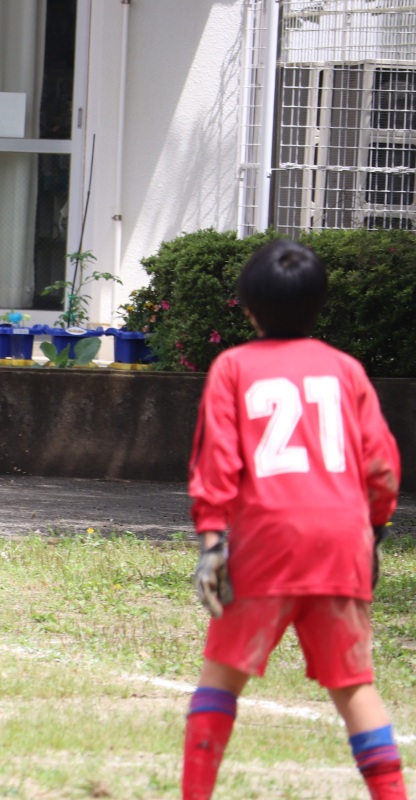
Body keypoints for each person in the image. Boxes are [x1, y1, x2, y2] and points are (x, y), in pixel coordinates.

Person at [184, 239, 405, 800]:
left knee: (220, 679)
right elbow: (381, 464)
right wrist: (374, 532)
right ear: (319, 304)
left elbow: (217, 461)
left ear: (247, 307)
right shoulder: (346, 370)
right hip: (343, 542)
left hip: (267, 540)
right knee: (354, 686)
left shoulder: (234, 367)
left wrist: (212, 542)